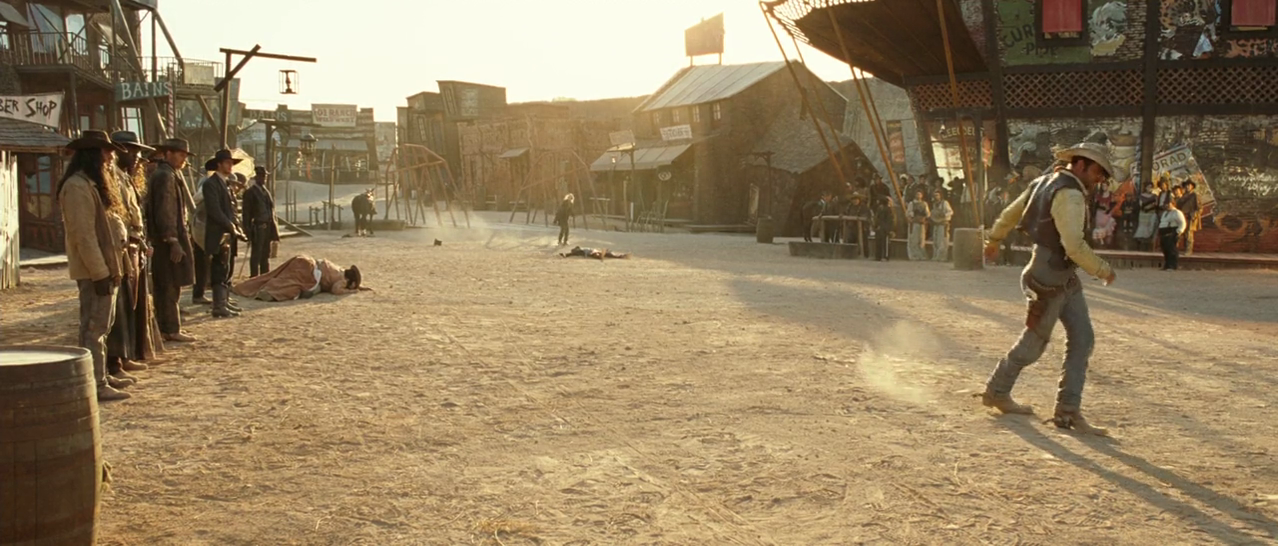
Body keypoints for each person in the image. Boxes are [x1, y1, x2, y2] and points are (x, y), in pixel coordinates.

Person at [977, 142, 1117, 436]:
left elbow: (1010, 214)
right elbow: (1074, 246)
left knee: (1082, 339)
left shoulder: (1044, 182)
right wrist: (1102, 269)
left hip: (1057, 274)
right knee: (1033, 344)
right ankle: (998, 391)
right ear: (1080, 164)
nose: (1099, 179)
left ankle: (1067, 411)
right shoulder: (1070, 194)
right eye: (1097, 171)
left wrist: (994, 239)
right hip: (1051, 277)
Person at [58, 131, 130, 401]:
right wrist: (100, 273)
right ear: (92, 154)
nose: (110, 156)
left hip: (105, 267)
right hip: (94, 271)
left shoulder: (90, 184)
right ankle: (95, 384)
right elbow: (84, 236)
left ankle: (99, 376)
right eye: (106, 151)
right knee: (93, 329)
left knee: (101, 326)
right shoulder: (77, 188)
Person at [105, 131, 160, 385]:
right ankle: (115, 362)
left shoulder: (126, 178)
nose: (138, 156)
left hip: (135, 247)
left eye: (139, 152)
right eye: (133, 151)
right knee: (119, 308)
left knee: (131, 304)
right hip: (122, 248)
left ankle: (126, 355)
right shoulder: (112, 178)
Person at [145, 139, 197, 343]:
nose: (184, 159)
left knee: (168, 284)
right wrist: (172, 239)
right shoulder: (165, 176)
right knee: (169, 284)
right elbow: (165, 210)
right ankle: (170, 328)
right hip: (167, 240)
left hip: (166, 238)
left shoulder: (168, 174)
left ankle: (167, 326)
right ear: (168, 153)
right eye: (180, 154)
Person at [202, 150, 248, 318]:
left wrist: (237, 227)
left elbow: (231, 210)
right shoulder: (210, 184)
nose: (230, 166)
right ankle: (218, 305)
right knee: (218, 269)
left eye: (231, 163)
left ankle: (224, 300)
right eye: (227, 163)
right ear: (219, 164)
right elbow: (215, 210)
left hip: (228, 234)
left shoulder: (226, 184)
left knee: (227, 268)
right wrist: (230, 226)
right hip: (218, 233)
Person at [232, 255, 362, 301]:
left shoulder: (338, 269)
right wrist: (351, 291)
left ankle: (245, 287)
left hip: (306, 260)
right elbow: (336, 290)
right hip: (309, 270)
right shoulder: (342, 279)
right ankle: (268, 293)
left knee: (275, 275)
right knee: (292, 286)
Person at [242, 166, 279, 277]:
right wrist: (247, 230)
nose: (264, 178)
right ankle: (254, 277)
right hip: (257, 227)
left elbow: (271, 211)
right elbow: (246, 214)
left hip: (267, 227)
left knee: (265, 255)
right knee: (256, 255)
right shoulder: (250, 193)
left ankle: (265, 277)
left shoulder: (266, 192)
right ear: (256, 177)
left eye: (265, 176)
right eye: (261, 176)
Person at [1158, 198, 1188, 271]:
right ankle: (1167, 265)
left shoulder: (1177, 212)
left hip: (1171, 232)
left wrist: (1179, 232)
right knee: (1165, 250)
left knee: (1171, 250)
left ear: (1173, 204)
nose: (1166, 206)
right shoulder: (1165, 213)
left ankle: (1173, 266)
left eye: (1168, 204)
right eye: (1165, 204)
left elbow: (1182, 223)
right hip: (1164, 233)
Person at [928, 189, 953, 262]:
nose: (936, 197)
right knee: (936, 240)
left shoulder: (945, 203)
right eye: (935, 195)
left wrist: (944, 215)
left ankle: (942, 257)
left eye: (937, 195)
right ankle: (936, 256)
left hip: (943, 223)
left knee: (942, 240)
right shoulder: (934, 204)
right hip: (936, 223)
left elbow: (950, 212)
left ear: (940, 196)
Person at [843, 192, 871, 257]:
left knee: (863, 241)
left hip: (862, 227)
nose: (855, 201)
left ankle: (865, 255)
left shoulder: (863, 207)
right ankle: (851, 254)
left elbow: (867, 216)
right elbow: (846, 213)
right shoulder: (849, 207)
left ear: (859, 199)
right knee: (850, 240)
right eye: (853, 199)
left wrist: (860, 218)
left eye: (856, 199)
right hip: (852, 227)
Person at [1178, 181, 1201, 255]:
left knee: (1189, 234)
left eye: (1189, 185)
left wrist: (1194, 214)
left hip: (1191, 217)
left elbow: (1199, 208)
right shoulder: (1183, 195)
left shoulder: (1195, 195)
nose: (1187, 187)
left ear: (1192, 186)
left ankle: (1188, 250)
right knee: (1183, 233)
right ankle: (1184, 248)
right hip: (1183, 216)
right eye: (1186, 185)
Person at [906, 190, 929, 260]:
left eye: (920, 194)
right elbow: (908, 212)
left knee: (921, 239)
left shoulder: (924, 204)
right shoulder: (912, 203)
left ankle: (921, 255)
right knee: (913, 239)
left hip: (921, 223)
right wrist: (912, 216)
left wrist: (925, 217)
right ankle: (913, 255)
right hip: (914, 223)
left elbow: (928, 213)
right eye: (917, 194)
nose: (918, 196)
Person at [871, 197, 895, 261]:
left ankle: (886, 256)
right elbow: (877, 218)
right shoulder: (879, 209)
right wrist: (876, 226)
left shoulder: (888, 210)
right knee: (878, 242)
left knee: (886, 243)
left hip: (885, 229)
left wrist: (888, 229)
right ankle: (878, 256)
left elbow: (890, 220)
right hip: (879, 228)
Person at [559, 246, 630, 260]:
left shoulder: (580, 251)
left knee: (598, 255)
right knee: (608, 255)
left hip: (592, 252)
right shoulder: (581, 250)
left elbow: (572, 254)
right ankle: (621, 256)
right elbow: (572, 254)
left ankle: (621, 256)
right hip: (593, 251)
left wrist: (565, 255)